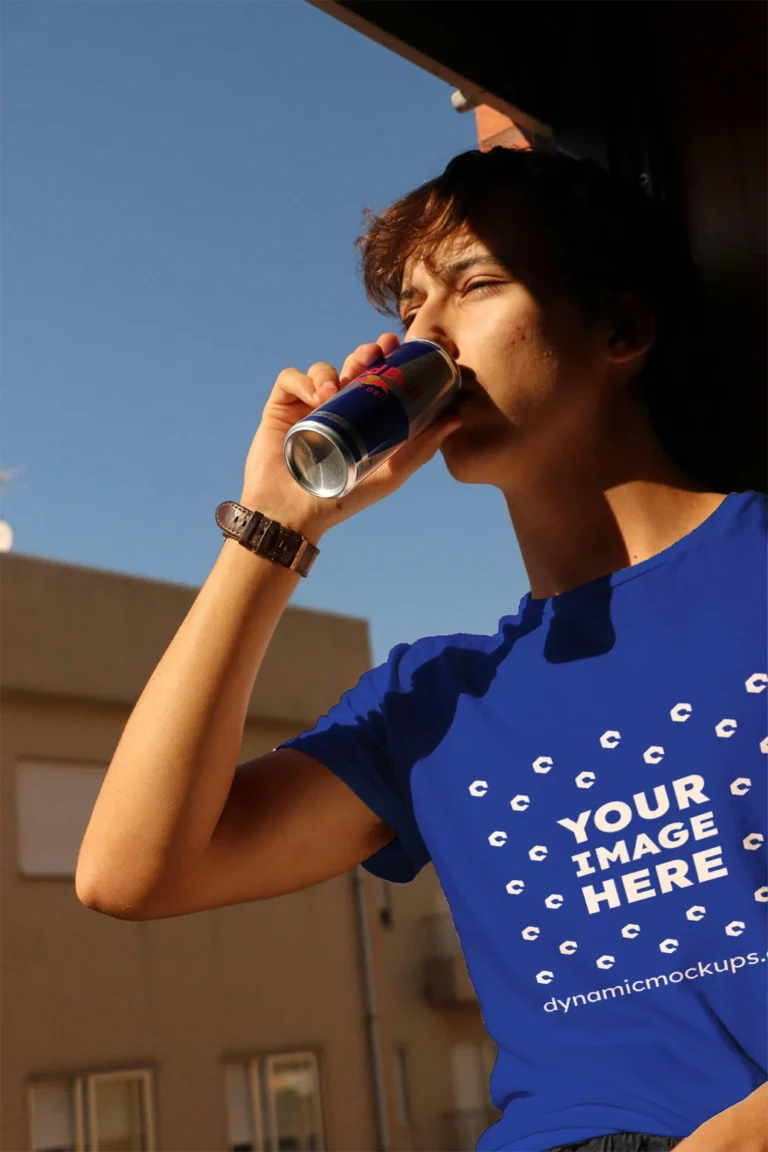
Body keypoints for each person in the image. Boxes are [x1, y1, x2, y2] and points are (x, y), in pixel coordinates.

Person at [76, 148, 768, 1152]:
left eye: (476, 285)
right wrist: (280, 525)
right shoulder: (437, 699)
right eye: (409, 306)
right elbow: (130, 873)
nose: (424, 337)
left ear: (621, 328)